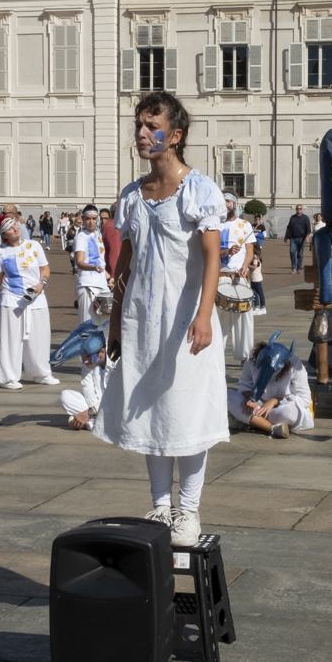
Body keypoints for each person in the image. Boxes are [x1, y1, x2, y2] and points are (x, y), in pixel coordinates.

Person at [95, 91, 228, 548]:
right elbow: (124, 267)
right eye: (138, 125)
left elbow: (213, 258)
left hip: (186, 318)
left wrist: (205, 314)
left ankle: (188, 510)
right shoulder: (133, 195)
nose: (141, 134)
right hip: (142, 321)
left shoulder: (199, 190)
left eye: (151, 126)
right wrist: (115, 325)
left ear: (175, 136)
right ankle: (160, 505)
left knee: (187, 412)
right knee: (150, 410)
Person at [0, 217, 57, 389]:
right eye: (10, 229)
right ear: (3, 234)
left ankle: (41, 373)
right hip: (12, 298)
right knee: (10, 339)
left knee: (40, 337)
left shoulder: (34, 245)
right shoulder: (1, 253)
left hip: (36, 297)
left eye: (15, 226)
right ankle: (8, 378)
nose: (15, 229)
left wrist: (42, 284)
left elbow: (45, 268)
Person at [227, 337, 313, 439]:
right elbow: (244, 385)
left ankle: (252, 421)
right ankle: (272, 428)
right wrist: (249, 397)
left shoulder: (296, 364)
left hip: (280, 409)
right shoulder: (251, 359)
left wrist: (275, 401)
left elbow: (305, 399)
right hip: (258, 406)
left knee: (288, 413)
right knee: (227, 396)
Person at [218, 192, 255, 362]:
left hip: (240, 277)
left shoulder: (245, 225)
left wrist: (245, 266)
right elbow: (208, 253)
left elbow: (250, 251)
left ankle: (245, 358)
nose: (225, 204)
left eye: (227, 201)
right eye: (222, 201)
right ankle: (216, 357)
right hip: (221, 276)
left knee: (244, 318)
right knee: (220, 320)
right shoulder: (215, 225)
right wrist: (226, 251)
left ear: (234, 204)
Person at [74, 206, 113, 323]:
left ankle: (102, 342)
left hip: (102, 285)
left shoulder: (98, 236)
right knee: (88, 324)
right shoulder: (81, 237)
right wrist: (92, 268)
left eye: (94, 218)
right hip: (87, 285)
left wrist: (109, 278)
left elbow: (100, 264)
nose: (91, 222)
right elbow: (80, 262)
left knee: (104, 324)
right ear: (83, 220)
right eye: (88, 219)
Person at [285, 205, 311, 274]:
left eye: (300, 208)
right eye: (297, 208)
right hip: (293, 238)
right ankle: (293, 267)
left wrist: (307, 237)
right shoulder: (292, 218)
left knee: (300, 254)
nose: (299, 210)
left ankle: (299, 268)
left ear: (302, 209)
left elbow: (308, 228)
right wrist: (286, 237)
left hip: (301, 238)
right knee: (292, 252)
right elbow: (289, 227)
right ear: (295, 209)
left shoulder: (305, 218)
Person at [100, 206, 121, 277]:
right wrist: (114, 278)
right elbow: (114, 257)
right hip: (112, 276)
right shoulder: (113, 229)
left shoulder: (109, 226)